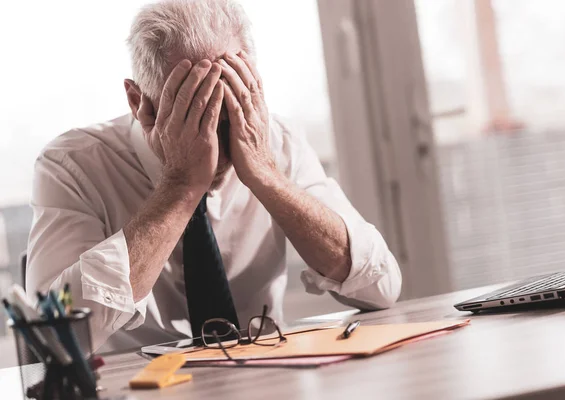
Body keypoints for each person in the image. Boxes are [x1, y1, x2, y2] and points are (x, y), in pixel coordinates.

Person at [26, 0, 402, 352]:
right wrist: (180, 187)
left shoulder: (277, 143)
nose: (215, 145)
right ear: (139, 103)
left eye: (232, 111)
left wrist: (267, 177)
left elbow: (381, 288)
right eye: (192, 116)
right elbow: (53, 338)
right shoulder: (72, 166)